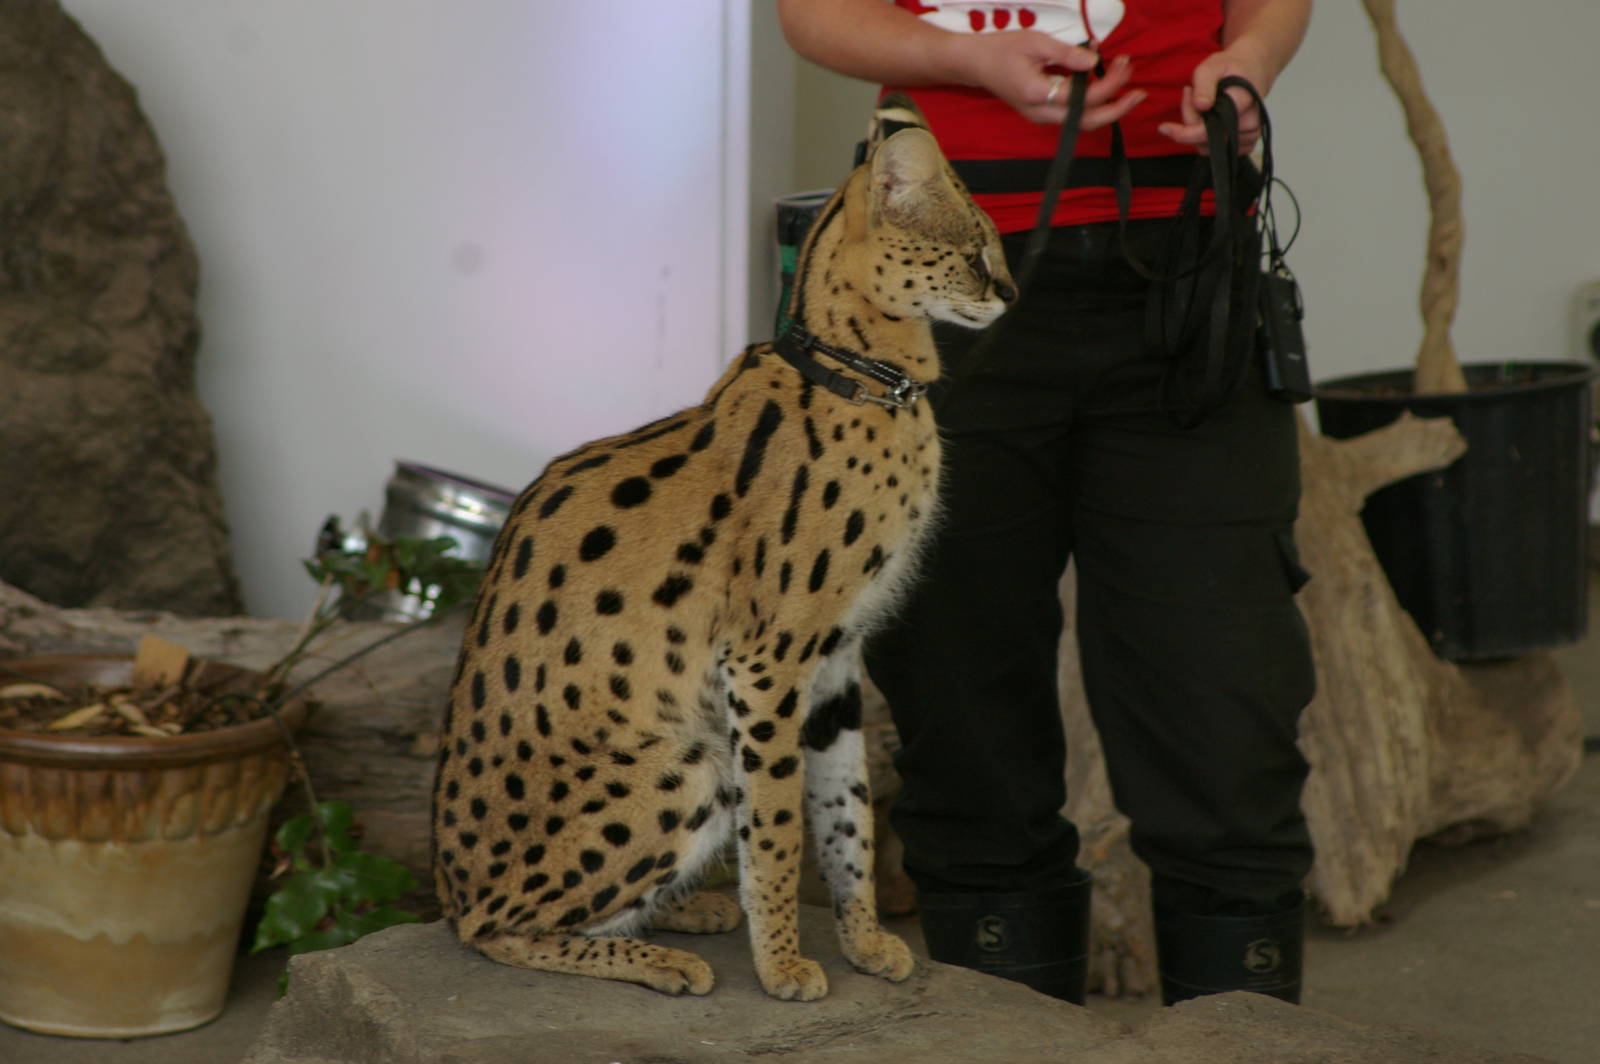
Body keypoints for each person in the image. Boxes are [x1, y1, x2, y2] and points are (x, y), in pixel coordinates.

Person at [777, 0, 1317, 1006]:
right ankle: (1003, 1026)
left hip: (1187, 271)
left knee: (1224, 688)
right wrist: (963, 59)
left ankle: (1244, 1028)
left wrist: (1251, 57)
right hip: (943, 277)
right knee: (959, 681)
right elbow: (814, 15)